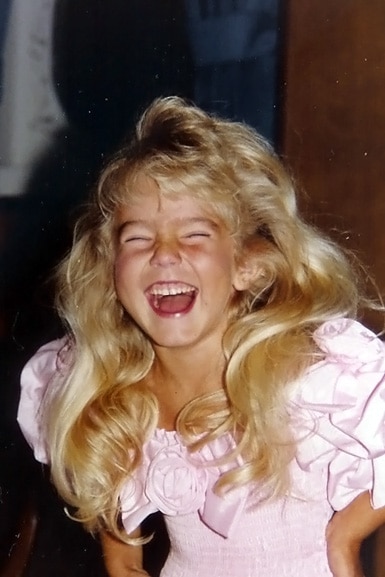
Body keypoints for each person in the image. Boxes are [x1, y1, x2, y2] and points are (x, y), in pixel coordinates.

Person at [17, 96, 385, 577]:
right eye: (138, 238)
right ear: (109, 273)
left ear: (248, 265)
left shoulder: (309, 378)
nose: (165, 254)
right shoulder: (117, 402)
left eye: (195, 235)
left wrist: (347, 534)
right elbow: (122, 559)